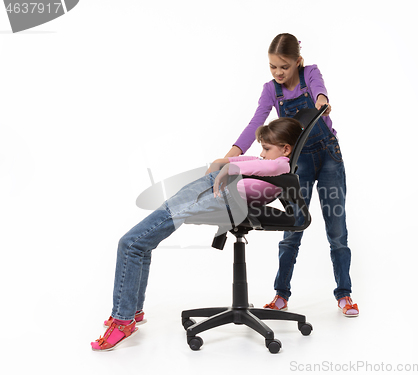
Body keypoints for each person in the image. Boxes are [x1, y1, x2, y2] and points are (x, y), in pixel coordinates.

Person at [91, 117, 304, 351]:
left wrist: (229, 168)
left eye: (266, 148)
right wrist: (224, 161)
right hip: (216, 191)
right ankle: (132, 312)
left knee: (131, 244)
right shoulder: (265, 164)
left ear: (285, 149)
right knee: (140, 243)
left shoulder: (281, 165)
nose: (262, 154)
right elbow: (254, 160)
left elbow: (270, 166)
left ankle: (123, 321)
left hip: (222, 196)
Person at [224, 33, 359, 317]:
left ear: (298, 61)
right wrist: (232, 154)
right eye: (273, 66)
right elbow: (256, 122)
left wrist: (322, 100)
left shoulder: (310, 73)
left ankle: (344, 294)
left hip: (330, 157)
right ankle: (281, 294)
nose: (278, 73)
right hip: (300, 163)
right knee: (293, 227)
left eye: (284, 66)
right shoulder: (271, 90)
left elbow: (319, 89)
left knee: (337, 229)